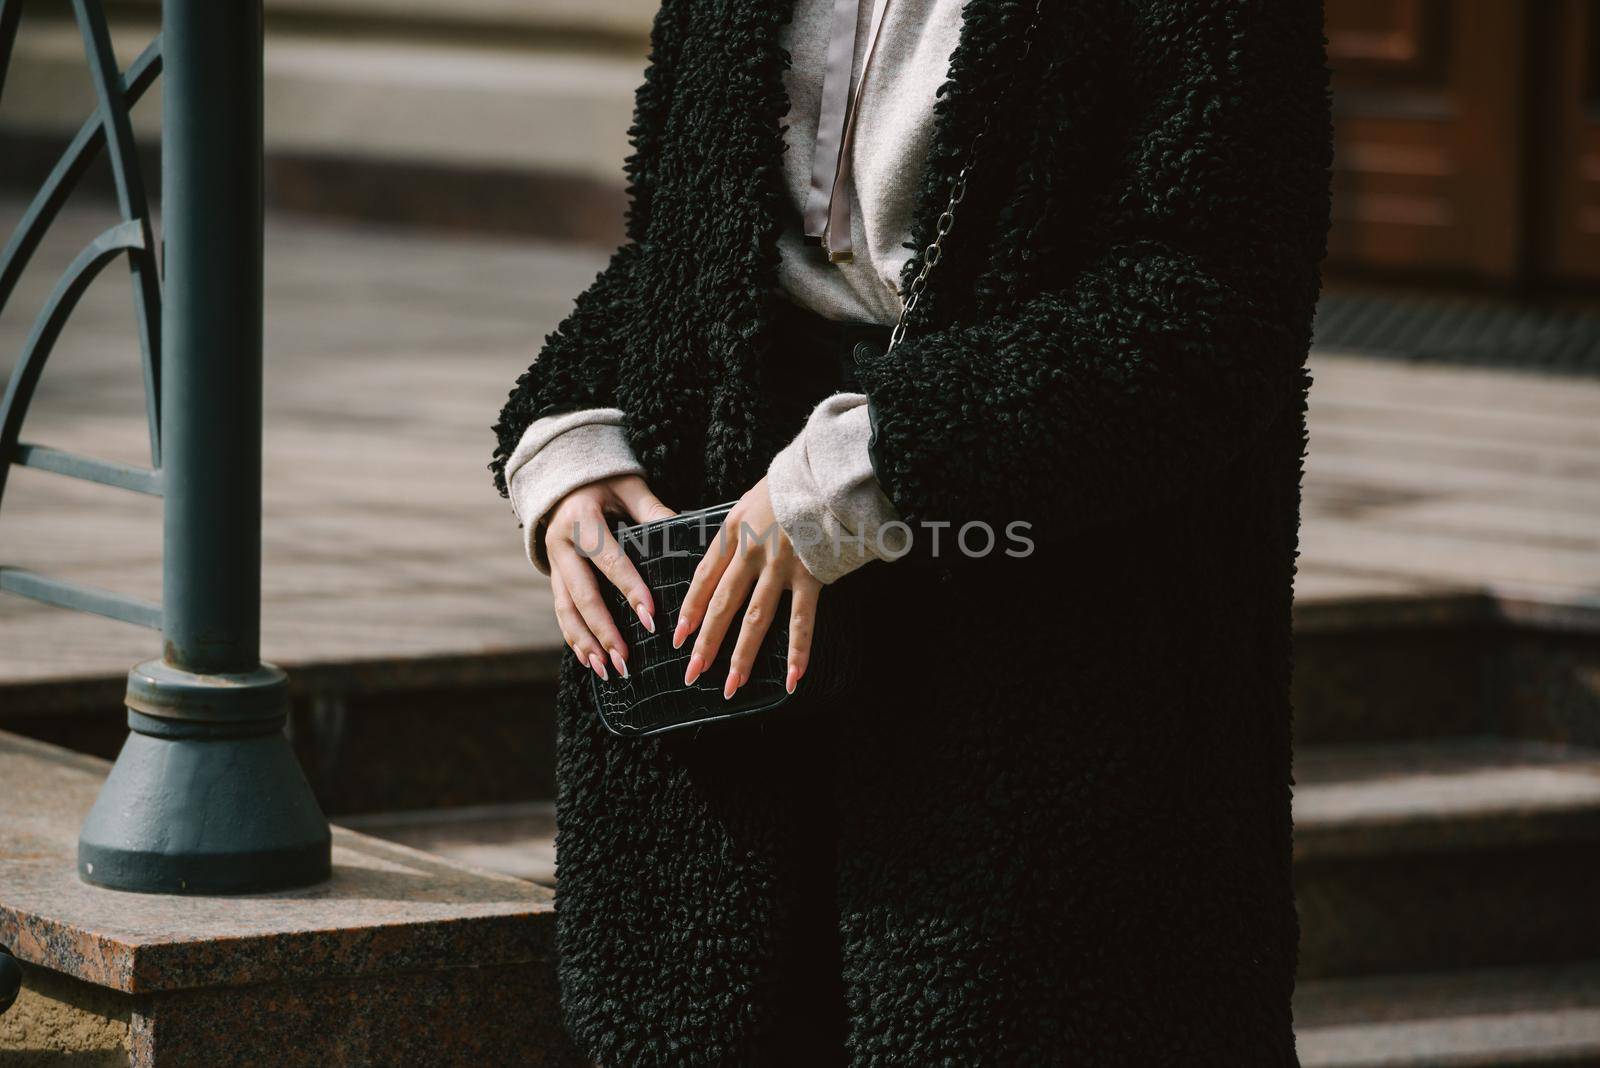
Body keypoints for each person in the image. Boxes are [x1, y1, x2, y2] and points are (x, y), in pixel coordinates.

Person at [491, 0, 1331, 1062]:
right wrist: (567, 439)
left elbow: (1211, 302)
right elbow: (681, 234)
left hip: (1055, 624)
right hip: (735, 636)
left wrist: (884, 460)